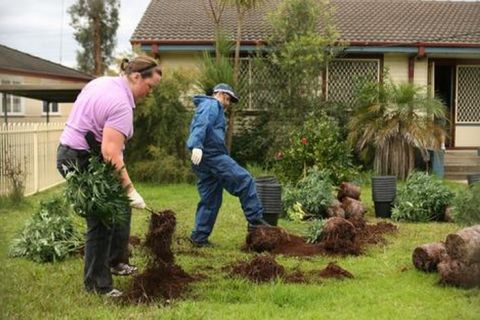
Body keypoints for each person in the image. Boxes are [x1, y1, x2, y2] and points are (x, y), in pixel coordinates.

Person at [56, 56, 162, 297]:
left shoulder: (103, 82)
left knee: (120, 207)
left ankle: (116, 261)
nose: (150, 92)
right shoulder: (121, 104)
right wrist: (131, 190)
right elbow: (111, 153)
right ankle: (97, 285)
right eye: (150, 86)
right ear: (136, 77)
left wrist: (124, 193)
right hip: (79, 158)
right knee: (101, 218)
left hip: (75, 152)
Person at [187, 83, 270, 247]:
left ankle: (199, 238)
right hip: (212, 155)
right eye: (230, 100)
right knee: (244, 180)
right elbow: (201, 123)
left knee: (210, 198)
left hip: (204, 158)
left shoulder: (208, 105)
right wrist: (196, 144)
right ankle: (256, 222)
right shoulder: (212, 104)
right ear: (224, 95)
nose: (229, 103)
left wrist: (197, 147)